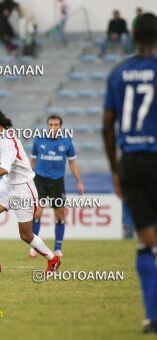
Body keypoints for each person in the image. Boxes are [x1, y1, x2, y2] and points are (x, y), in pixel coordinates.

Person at [102, 12, 157, 334]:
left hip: (131, 161)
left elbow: (107, 126)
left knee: (146, 242)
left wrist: (114, 170)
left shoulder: (118, 72)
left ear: (133, 38)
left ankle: (151, 316)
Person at [0, 105, 61, 274]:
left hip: (23, 189)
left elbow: (5, 168)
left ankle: (53, 259)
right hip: (8, 186)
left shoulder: (6, 140)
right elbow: (6, 163)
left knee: (26, 235)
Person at [29, 115, 84, 258]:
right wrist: (28, 179)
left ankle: (57, 248)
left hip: (57, 182)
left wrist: (79, 181)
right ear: (47, 125)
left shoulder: (66, 142)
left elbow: (72, 163)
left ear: (60, 126)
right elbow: (33, 162)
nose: (53, 127)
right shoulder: (39, 140)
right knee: (37, 213)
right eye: (51, 124)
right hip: (39, 180)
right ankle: (35, 247)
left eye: (56, 125)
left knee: (59, 215)